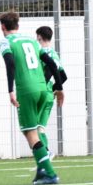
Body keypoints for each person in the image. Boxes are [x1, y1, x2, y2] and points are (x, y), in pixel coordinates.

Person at [0, 11, 64, 185]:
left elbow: (10, 63)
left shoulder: (5, 41)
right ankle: (42, 171)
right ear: (17, 26)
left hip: (26, 90)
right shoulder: (32, 41)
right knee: (35, 130)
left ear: (3, 27)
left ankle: (49, 173)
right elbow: (50, 61)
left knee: (30, 132)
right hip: (43, 89)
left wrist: (10, 90)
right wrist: (59, 87)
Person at [35, 26, 68, 162]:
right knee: (40, 127)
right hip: (49, 95)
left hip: (40, 93)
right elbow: (63, 76)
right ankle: (47, 154)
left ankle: (46, 153)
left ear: (39, 37)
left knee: (33, 127)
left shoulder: (40, 52)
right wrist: (54, 88)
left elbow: (48, 71)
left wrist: (43, 86)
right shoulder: (54, 53)